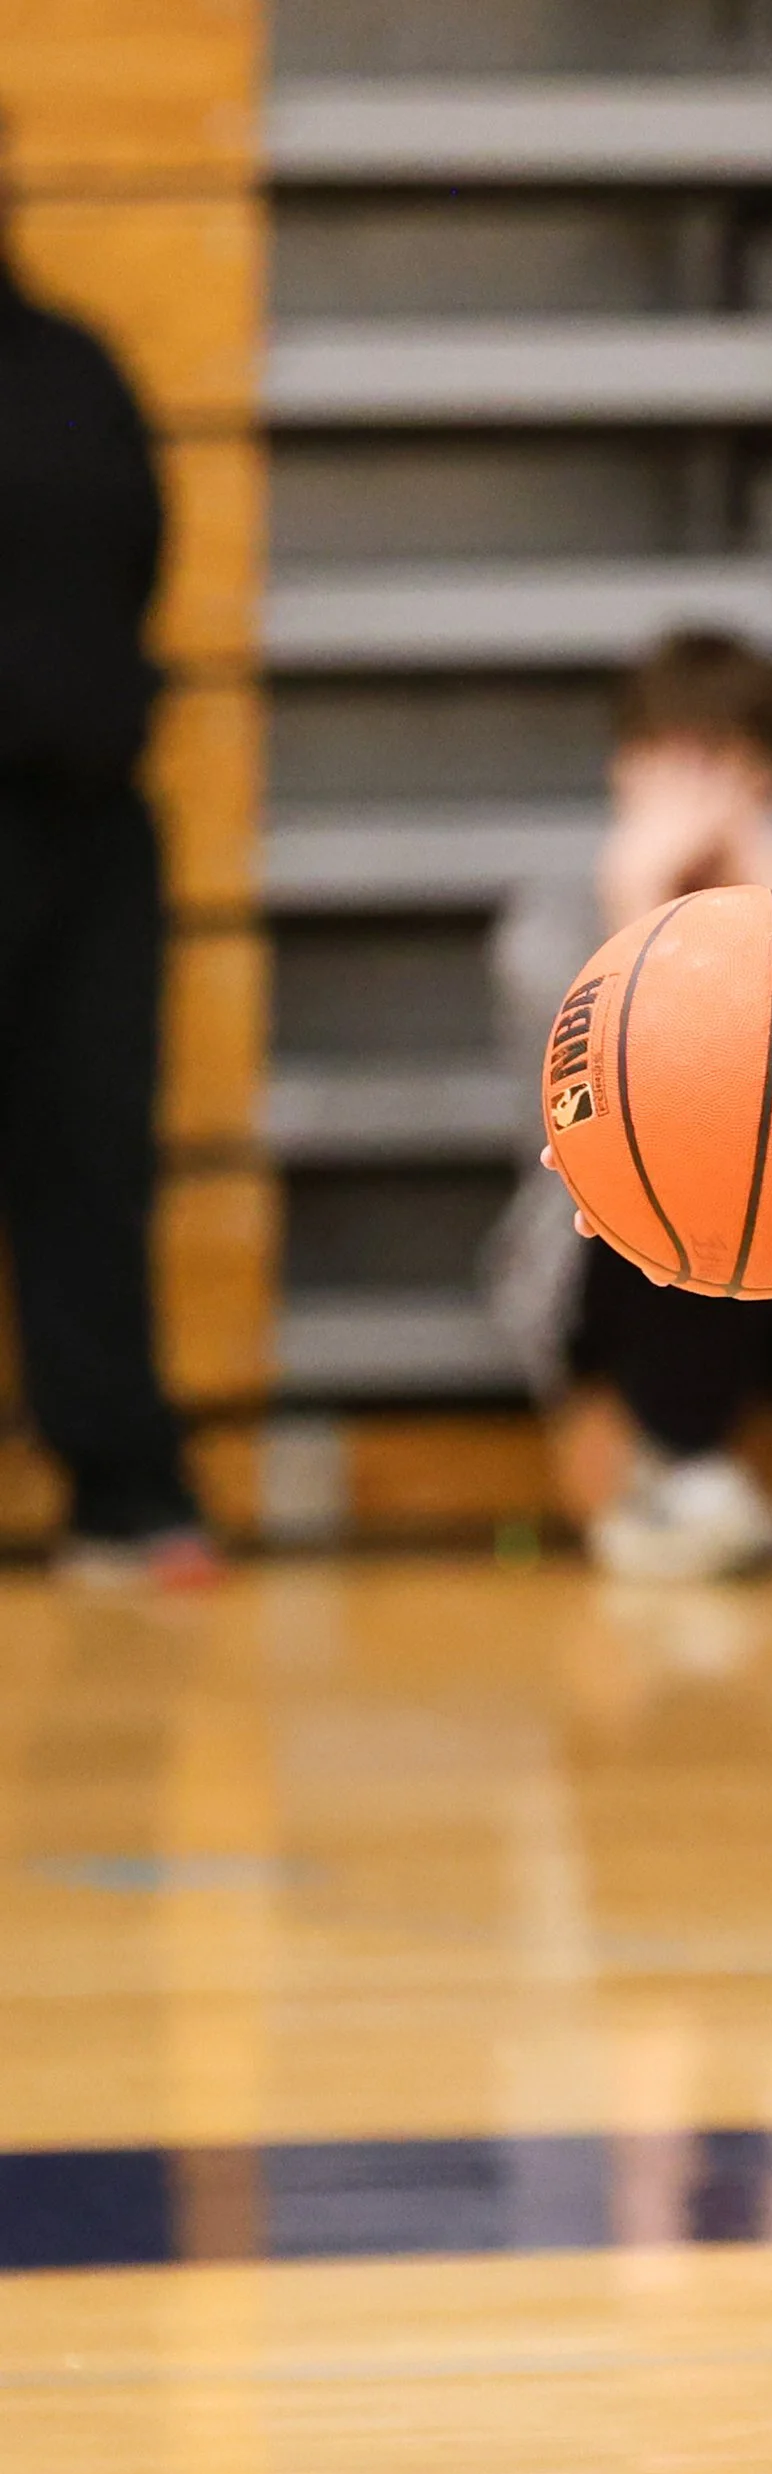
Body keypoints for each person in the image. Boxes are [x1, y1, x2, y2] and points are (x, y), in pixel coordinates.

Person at [488, 631, 772, 1577]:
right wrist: (642, 898)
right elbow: (606, 1107)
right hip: (605, 1249)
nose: (691, 799)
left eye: (720, 767)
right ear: (620, 772)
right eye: (667, 763)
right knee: (702, 1151)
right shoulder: (555, 916)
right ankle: (678, 1471)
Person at [0, 146, 215, 1588]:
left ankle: (122, 1491)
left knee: (90, 1153)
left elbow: (139, 556)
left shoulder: (74, 367)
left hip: (85, 832)